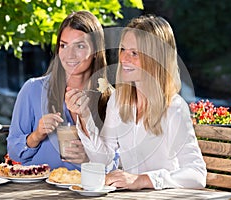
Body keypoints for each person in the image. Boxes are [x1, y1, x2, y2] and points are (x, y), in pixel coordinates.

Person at [76, 14, 207, 189]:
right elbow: (103, 158)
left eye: (134, 53)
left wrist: (143, 180)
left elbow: (197, 174)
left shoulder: (174, 108)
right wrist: (84, 116)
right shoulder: (118, 100)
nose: (124, 59)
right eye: (123, 49)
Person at [7, 10, 112, 170]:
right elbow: (14, 151)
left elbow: (116, 162)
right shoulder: (33, 90)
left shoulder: (110, 97)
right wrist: (36, 136)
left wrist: (90, 157)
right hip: (36, 190)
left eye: (80, 46)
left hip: (83, 190)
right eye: (64, 45)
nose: (69, 54)